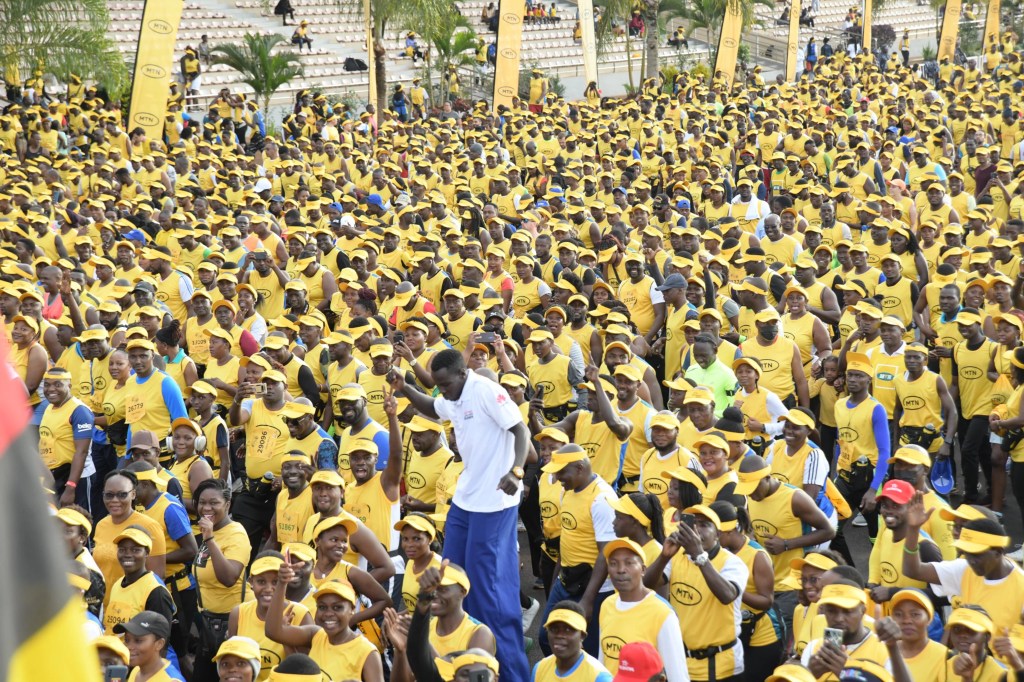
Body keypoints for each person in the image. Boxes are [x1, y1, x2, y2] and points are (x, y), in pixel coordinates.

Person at [390, 348, 532, 681]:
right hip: (466, 499)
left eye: (445, 384)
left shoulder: (486, 391)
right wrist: (406, 387)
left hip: (494, 502)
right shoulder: (452, 393)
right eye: (437, 385)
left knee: (487, 595)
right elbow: (433, 406)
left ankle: (511, 672)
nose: (442, 390)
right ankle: (458, 665)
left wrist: (516, 472)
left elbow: (521, 431)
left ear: (462, 374)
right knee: (451, 579)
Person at [644, 504, 749, 682]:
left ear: (718, 534)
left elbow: (727, 595)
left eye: (704, 525)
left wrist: (699, 555)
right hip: (682, 664)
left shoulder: (732, 563)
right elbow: (647, 584)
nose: (696, 530)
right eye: (693, 524)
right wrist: (664, 556)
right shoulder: (678, 557)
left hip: (723, 667)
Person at [598, 538, 688, 680]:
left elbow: (678, 675)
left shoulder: (662, 613)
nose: (621, 570)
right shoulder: (607, 605)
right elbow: (602, 663)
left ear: (643, 569)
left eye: (629, 563)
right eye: (614, 564)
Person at [193, 479, 252, 682]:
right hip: (208, 623)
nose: (206, 508)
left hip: (233, 625)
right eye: (202, 502)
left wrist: (209, 539)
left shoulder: (236, 533)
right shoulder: (209, 530)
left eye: (213, 503)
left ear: (227, 505)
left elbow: (228, 577)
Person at [39, 366, 96, 509]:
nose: (51, 389)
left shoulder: (79, 411)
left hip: (76, 478)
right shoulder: (49, 408)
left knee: (79, 523)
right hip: (55, 476)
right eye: (47, 385)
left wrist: (70, 488)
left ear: (69, 386)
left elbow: (81, 452)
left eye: (58, 384)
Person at [533, 601, 613, 681]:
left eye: (568, 630)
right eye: (554, 629)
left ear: (582, 636)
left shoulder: (599, 677)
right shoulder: (539, 669)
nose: (560, 635)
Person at [114, 611, 184, 682]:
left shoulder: (171, 680)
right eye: (127, 640)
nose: (129, 647)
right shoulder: (137, 670)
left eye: (138, 640)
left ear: (159, 644)